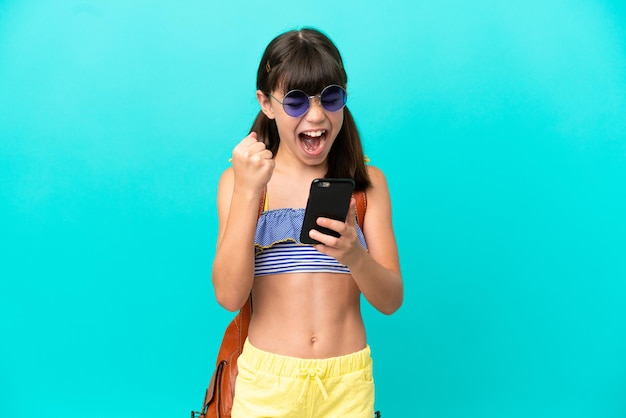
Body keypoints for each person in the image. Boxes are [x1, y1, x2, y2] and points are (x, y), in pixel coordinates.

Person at [211, 27, 403, 418]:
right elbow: (229, 296)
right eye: (296, 102)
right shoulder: (239, 183)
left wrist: (355, 254)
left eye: (331, 97)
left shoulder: (367, 186)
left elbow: (391, 300)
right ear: (266, 104)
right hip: (267, 382)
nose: (317, 115)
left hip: (347, 384)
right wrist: (248, 192)